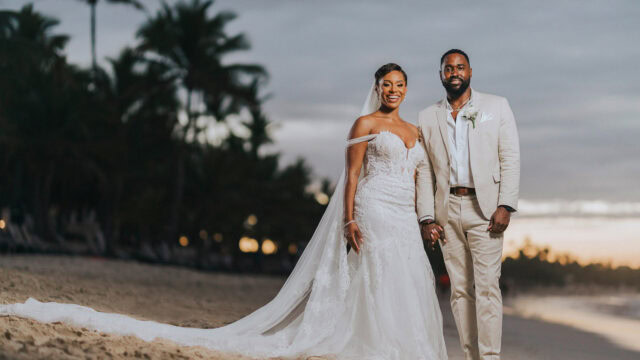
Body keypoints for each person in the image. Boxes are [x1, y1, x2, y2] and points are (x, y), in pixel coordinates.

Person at [0, 64, 448, 359]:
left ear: (407, 89)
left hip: (403, 213)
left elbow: (418, 179)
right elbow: (350, 178)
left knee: (405, 274)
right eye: (386, 84)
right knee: (375, 270)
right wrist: (349, 217)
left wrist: (426, 216)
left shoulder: (414, 130)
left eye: (399, 84)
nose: (392, 90)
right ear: (376, 88)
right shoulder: (365, 125)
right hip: (370, 206)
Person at [416, 49, 520, 360]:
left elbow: (510, 158)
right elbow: (425, 171)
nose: (455, 73)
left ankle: (490, 358)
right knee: (460, 291)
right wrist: (425, 218)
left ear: (470, 72)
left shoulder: (496, 106)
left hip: (486, 211)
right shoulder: (426, 116)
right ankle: (470, 356)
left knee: (487, 288)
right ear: (441, 75)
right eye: (449, 68)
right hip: (447, 212)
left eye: (460, 67)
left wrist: (506, 205)